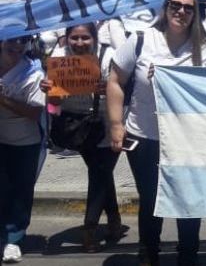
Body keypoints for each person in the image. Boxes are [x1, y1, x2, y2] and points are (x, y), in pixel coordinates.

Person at [107, 0, 206, 266]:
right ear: (165, 7)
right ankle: (148, 254)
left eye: (188, 8)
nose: (181, 11)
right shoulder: (140, 40)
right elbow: (115, 80)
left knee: (189, 201)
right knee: (151, 200)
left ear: (195, 15)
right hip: (145, 136)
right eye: (176, 5)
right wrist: (115, 124)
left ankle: (188, 256)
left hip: (189, 140)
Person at [41, 23, 124, 253]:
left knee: (99, 172)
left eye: (85, 38)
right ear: (66, 38)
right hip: (78, 125)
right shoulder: (59, 57)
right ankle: (115, 220)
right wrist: (49, 90)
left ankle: (89, 229)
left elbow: (123, 89)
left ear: (95, 38)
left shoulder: (109, 56)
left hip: (107, 123)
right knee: (101, 172)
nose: (79, 43)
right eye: (74, 38)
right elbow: (55, 103)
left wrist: (106, 89)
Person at [0, 36, 46, 264]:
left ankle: (14, 239)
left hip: (24, 143)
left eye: (23, 40)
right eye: (11, 39)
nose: (16, 45)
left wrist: (3, 100)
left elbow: (34, 112)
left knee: (20, 192)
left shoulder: (32, 73)